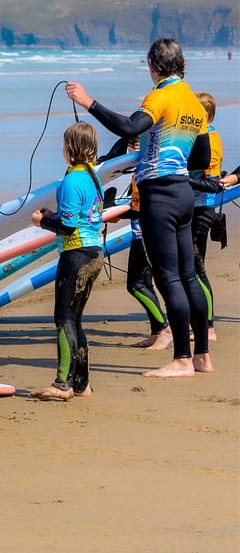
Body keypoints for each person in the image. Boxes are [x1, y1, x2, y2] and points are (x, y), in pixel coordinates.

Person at [66, 38, 211, 378]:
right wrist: (172, 149)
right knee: (189, 276)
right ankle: (203, 356)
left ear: (153, 68)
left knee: (168, 277)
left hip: (158, 197)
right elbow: (202, 159)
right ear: (183, 64)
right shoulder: (193, 103)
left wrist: (88, 102)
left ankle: (182, 360)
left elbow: (131, 127)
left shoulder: (161, 96)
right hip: (183, 194)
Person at [30, 122, 105, 400]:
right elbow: (80, 216)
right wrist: (56, 214)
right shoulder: (90, 175)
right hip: (94, 252)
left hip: (76, 255)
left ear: (70, 148)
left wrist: (42, 221)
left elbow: (69, 227)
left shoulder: (72, 179)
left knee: (63, 318)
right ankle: (82, 383)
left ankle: (62, 384)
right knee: (75, 319)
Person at [98, 138, 173, 350]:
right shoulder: (140, 166)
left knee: (136, 285)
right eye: (132, 142)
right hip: (142, 233)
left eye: (139, 141)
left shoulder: (147, 169)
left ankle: (165, 329)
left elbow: (146, 207)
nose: (135, 146)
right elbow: (137, 205)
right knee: (145, 284)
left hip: (147, 235)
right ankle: (156, 331)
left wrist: (114, 215)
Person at [187, 92, 224, 343]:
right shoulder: (197, 139)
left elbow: (213, 184)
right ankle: (197, 321)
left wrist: (179, 179)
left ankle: (208, 326)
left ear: (205, 115)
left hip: (204, 209)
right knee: (190, 267)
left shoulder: (210, 140)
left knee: (197, 268)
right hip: (191, 207)